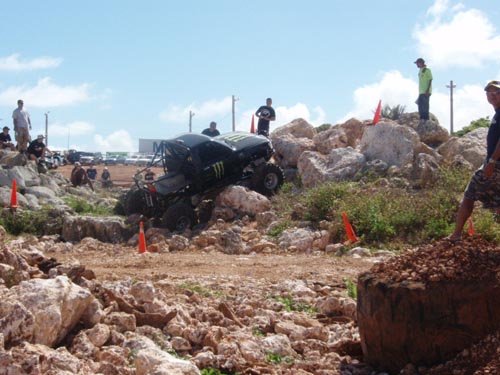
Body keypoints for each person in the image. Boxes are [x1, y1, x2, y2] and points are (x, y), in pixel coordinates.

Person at [447, 80, 500, 242]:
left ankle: (456, 235)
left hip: (495, 165)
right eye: (489, 93)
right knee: (498, 202)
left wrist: (491, 161)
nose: (492, 96)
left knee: (469, 194)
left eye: (496, 93)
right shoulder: (497, 113)